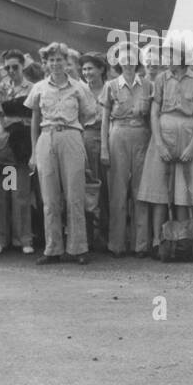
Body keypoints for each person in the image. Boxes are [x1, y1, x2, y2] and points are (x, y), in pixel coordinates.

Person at [25, 42, 97, 264]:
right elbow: (35, 120)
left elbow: (87, 115)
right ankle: (52, 248)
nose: (56, 64)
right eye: (51, 60)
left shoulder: (79, 87)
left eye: (60, 59)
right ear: (45, 63)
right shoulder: (38, 88)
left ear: (67, 62)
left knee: (75, 194)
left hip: (71, 136)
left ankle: (78, 248)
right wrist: (33, 152)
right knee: (49, 197)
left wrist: (72, 130)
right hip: (46, 137)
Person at [137, 40, 193, 252]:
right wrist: (159, 143)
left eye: (171, 56)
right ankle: (158, 241)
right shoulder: (161, 79)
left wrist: (192, 147)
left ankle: (182, 240)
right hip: (163, 134)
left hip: (187, 136)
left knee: (183, 193)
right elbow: (154, 112)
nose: (167, 60)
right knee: (158, 191)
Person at [101, 42, 154, 258]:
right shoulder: (111, 86)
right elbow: (105, 120)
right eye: (124, 59)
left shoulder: (148, 85)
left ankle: (141, 244)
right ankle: (117, 244)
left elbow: (151, 117)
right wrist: (104, 148)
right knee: (118, 190)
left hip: (141, 135)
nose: (128, 62)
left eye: (132, 58)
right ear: (118, 62)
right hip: (118, 136)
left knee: (140, 190)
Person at [0, 49, 35, 255]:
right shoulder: (0, 87)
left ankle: (24, 238)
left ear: (22, 67)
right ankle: (0, 239)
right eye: (8, 67)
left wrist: (15, 120)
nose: (11, 71)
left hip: (20, 147)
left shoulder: (31, 88)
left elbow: (35, 116)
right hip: (2, 148)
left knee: (20, 195)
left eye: (15, 67)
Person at [79, 52, 109, 249]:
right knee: (89, 186)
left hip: (109, 137)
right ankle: (89, 236)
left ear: (101, 69)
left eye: (90, 68)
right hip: (87, 137)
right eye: (84, 69)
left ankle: (107, 235)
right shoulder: (79, 90)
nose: (87, 72)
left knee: (108, 187)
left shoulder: (111, 87)